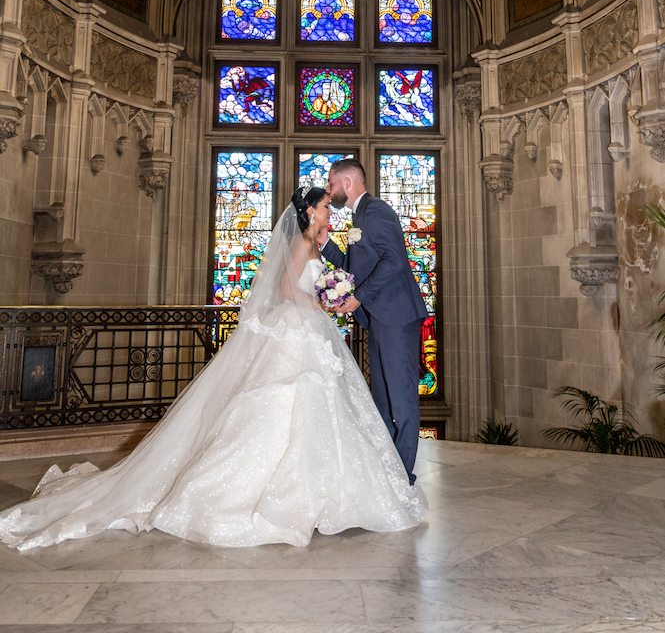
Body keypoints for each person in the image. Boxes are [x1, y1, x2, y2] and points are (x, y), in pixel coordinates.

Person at [0, 187, 426, 552]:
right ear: (311, 211)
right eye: (326, 208)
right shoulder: (300, 243)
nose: (331, 214)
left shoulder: (318, 244)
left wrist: (330, 299)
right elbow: (283, 288)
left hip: (311, 327)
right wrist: (321, 303)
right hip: (298, 330)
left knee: (319, 405)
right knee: (285, 401)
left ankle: (328, 491)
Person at [320, 160, 428, 485]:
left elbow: (395, 260)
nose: (329, 190)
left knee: (402, 399)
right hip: (378, 319)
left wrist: (359, 297)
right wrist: (326, 245)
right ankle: (387, 471)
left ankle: (402, 477)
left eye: (331, 183)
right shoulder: (359, 216)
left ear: (348, 181)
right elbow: (357, 269)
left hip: (396, 317)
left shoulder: (376, 210)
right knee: (382, 400)